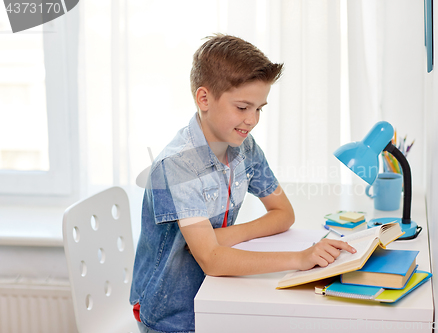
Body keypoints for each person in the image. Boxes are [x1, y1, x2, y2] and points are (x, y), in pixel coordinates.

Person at [129, 34, 356, 333]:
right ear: (204, 99)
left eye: (259, 108)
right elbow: (211, 260)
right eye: (242, 107)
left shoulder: (245, 148)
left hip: (216, 297)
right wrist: (300, 259)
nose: (252, 120)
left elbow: (283, 212)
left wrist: (224, 237)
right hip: (172, 317)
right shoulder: (179, 165)